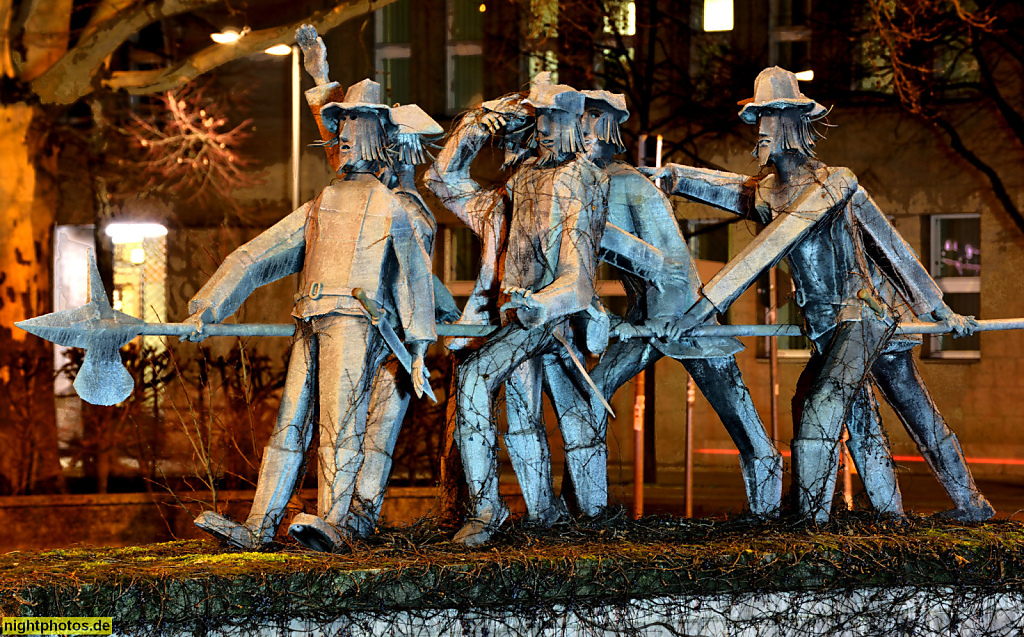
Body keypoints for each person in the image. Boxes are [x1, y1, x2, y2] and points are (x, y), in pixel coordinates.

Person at [644, 66, 988, 523]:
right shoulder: (768, 191)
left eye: (771, 116)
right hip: (827, 328)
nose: (762, 129)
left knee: (862, 410)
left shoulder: (834, 183)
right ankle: (890, 517)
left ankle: (822, 524)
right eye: (759, 116)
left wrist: (939, 308)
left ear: (792, 124)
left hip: (864, 316)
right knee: (850, 414)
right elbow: (731, 189)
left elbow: (885, 246)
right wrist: (673, 177)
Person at [188, 78, 437, 551]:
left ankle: (335, 521)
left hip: (354, 322)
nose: (343, 132)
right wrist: (208, 304)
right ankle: (259, 525)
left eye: (354, 122)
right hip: (309, 318)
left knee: (339, 425)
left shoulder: (392, 207)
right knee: (289, 425)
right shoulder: (320, 203)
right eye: (339, 123)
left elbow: (415, 280)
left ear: (377, 133)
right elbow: (255, 255)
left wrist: (420, 347)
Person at [533, 89, 782, 518]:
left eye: (589, 120)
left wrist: (670, 317)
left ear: (605, 128)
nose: (577, 131)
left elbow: (671, 258)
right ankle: (583, 509)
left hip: (683, 316)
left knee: (738, 416)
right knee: (593, 391)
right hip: (642, 317)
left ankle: (769, 511)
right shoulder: (584, 185)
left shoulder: (630, 185)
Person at [427, 77, 611, 545]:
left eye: (557, 118)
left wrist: (540, 302)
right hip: (515, 313)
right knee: (522, 416)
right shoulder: (523, 179)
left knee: (475, 380)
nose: (546, 127)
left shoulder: (583, 179)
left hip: (549, 317)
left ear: (577, 122)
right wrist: (474, 126)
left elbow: (579, 278)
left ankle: (489, 511)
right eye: (539, 118)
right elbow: (440, 180)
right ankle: (540, 515)